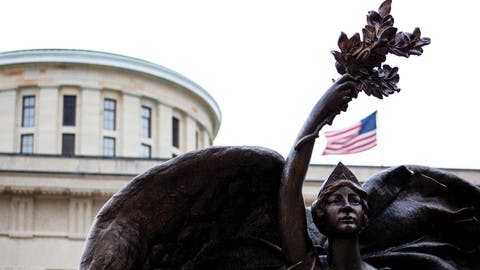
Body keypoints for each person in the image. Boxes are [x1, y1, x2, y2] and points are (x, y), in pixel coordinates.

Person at [310, 162, 377, 270]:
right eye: (336, 201)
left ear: (364, 213)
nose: (347, 206)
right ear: (321, 212)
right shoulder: (312, 265)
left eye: (354, 201)